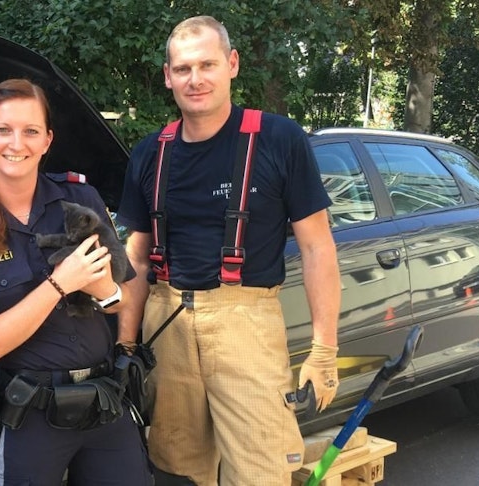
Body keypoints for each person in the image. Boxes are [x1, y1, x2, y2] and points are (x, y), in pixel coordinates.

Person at [115, 16, 341, 486]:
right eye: (183, 69)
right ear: (167, 76)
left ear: (232, 64)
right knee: (175, 469)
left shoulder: (279, 140)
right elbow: (136, 260)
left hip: (246, 322)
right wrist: (125, 346)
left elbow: (318, 248)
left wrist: (324, 350)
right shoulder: (149, 154)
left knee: (262, 471)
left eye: (207, 64)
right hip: (167, 324)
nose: (195, 79)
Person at [0, 78, 152, 485]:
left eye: (30, 131)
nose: (16, 143)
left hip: (104, 400)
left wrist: (103, 291)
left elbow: (119, 300)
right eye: (3, 130)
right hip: (30, 413)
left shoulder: (81, 200)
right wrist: (59, 284)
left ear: (47, 140)